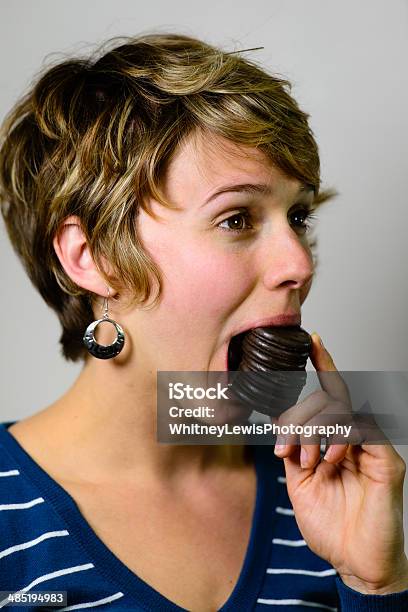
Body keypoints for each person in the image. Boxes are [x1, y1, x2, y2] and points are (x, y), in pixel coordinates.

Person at [0, 32, 407, 611]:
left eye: (298, 216)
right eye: (237, 218)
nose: (299, 264)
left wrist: (377, 585)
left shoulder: (323, 493)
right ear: (92, 257)